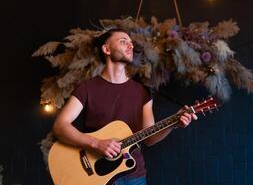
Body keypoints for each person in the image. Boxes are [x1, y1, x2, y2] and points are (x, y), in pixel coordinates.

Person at [52, 28, 198, 185]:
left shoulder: (142, 92)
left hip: (134, 176)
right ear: (106, 49)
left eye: (131, 43)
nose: (130, 46)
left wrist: (173, 124)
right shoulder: (87, 88)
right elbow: (60, 126)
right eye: (123, 41)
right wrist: (96, 143)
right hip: (95, 177)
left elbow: (149, 138)